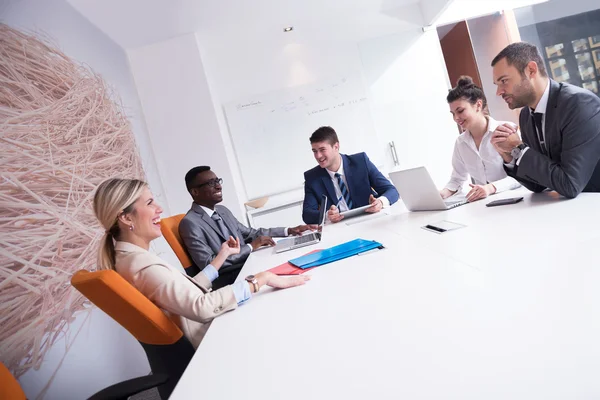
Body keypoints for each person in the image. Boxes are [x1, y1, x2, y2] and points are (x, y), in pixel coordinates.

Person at [93, 178, 310, 348]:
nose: (159, 208)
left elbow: (186, 292)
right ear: (126, 218)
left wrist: (221, 255)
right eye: (150, 203)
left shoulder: (130, 258)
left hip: (209, 327)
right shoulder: (141, 265)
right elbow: (200, 307)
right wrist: (259, 279)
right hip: (211, 339)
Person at [490, 42, 600, 198]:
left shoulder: (579, 104)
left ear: (531, 70)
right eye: (497, 84)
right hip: (568, 210)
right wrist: (509, 155)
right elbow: (538, 184)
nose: (499, 91)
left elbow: (570, 184)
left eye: (504, 81)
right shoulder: (526, 115)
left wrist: (519, 147)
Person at [179, 166, 316, 289]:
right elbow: (209, 264)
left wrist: (289, 230)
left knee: (294, 262)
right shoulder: (190, 223)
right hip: (230, 279)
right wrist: (251, 247)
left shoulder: (222, 210)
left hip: (248, 265)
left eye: (217, 181)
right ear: (195, 192)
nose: (218, 187)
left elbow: (251, 234)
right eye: (210, 183)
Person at [440, 76, 520, 202]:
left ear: (478, 105)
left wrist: (490, 188)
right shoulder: (461, 143)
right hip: (484, 204)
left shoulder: (507, 130)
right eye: (453, 113)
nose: (456, 118)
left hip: (515, 199)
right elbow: (457, 178)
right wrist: (441, 194)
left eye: (460, 111)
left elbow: (523, 175)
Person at [302, 126, 399, 224]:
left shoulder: (361, 162)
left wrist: (380, 202)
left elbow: (392, 190)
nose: (318, 156)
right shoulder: (312, 178)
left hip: (371, 220)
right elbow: (307, 214)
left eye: (322, 149)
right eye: (314, 151)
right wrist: (327, 215)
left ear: (336, 147)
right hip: (340, 227)